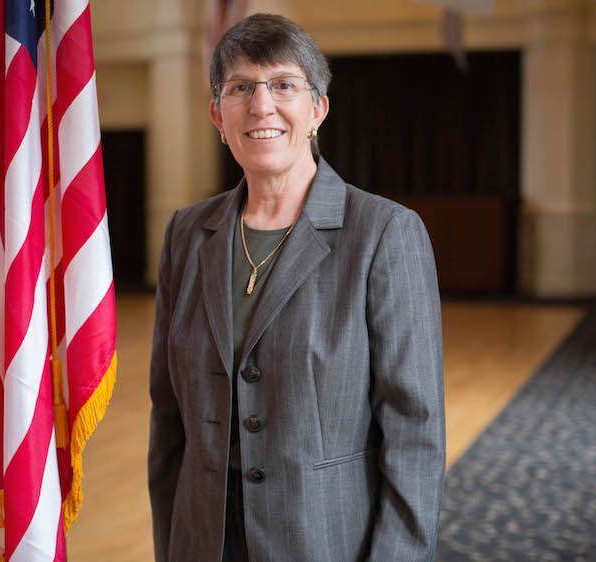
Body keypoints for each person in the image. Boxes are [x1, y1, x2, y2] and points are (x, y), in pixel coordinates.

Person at [148, 13, 445, 562]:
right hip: (203, 540)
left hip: (325, 540)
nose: (261, 105)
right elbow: (168, 423)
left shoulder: (384, 232)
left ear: (318, 109)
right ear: (217, 115)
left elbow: (415, 433)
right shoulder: (186, 234)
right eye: (240, 88)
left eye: (283, 85)